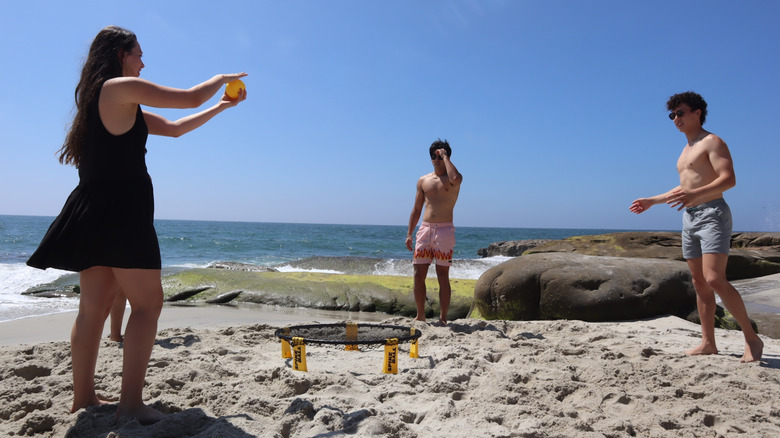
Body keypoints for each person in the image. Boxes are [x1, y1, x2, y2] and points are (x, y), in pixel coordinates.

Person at [26, 25, 247, 424]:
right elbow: (188, 98)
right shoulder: (118, 87)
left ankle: (83, 398)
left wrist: (222, 107)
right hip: (123, 212)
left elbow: (175, 128)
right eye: (138, 54)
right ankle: (130, 405)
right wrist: (221, 78)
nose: (143, 63)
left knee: (92, 310)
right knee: (148, 304)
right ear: (120, 55)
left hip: (93, 211)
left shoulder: (104, 100)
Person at [630, 91, 763, 363]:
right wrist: (652, 201)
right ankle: (708, 342)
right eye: (672, 115)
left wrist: (695, 194)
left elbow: (728, 179)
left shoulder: (712, 141)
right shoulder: (685, 150)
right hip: (689, 217)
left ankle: (751, 338)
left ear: (697, 112)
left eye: (680, 113)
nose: (675, 119)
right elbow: (685, 188)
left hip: (713, 213)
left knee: (714, 279)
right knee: (699, 282)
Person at [405, 139, 463, 325]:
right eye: (433, 156)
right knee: (418, 273)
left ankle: (443, 318)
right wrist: (409, 233)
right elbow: (416, 209)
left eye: (439, 156)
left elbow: (456, 178)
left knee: (442, 275)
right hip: (425, 229)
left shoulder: (452, 179)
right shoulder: (424, 180)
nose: (436, 160)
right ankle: (420, 315)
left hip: (444, 230)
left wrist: (445, 157)